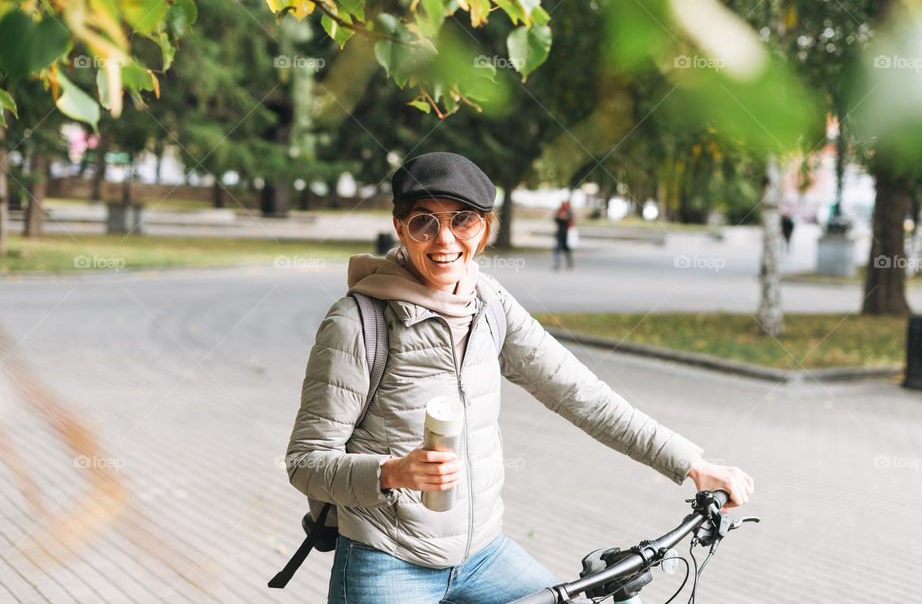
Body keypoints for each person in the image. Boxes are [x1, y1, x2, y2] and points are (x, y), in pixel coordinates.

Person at [285, 152, 754, 604]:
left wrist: (692, 464)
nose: (444, 240)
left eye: (462, 220)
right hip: (387, 558)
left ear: (485, 228)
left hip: (483, 555)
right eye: (424, 221)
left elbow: (580, 394)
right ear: (400, 228)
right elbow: (305, 462)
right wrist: (392, 473)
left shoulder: (490, 304)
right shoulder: (356, 322)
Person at [553, 200, 575, 269]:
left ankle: (569, 263)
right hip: (560, 234)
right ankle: (557, 263)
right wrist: (559, 217)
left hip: (566, 234)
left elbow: (570, 222)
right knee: (558, 249)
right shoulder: (559, 212)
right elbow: (556, 219)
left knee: (566, 249)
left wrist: (564, 217)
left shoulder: (569, 213)